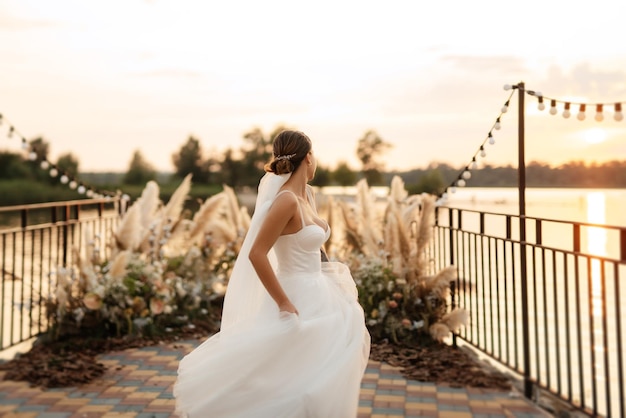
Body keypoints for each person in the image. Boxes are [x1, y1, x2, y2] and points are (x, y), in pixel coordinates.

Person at [174, 130, 370, 418]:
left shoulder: (307, 196)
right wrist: (283, 303)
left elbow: (314, 247)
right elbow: (257, 254)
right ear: (309, 157)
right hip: (294, 294)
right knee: (289, 379)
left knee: (320, 373)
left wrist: (333, 278)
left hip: (320, 292)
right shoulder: (285, 201)